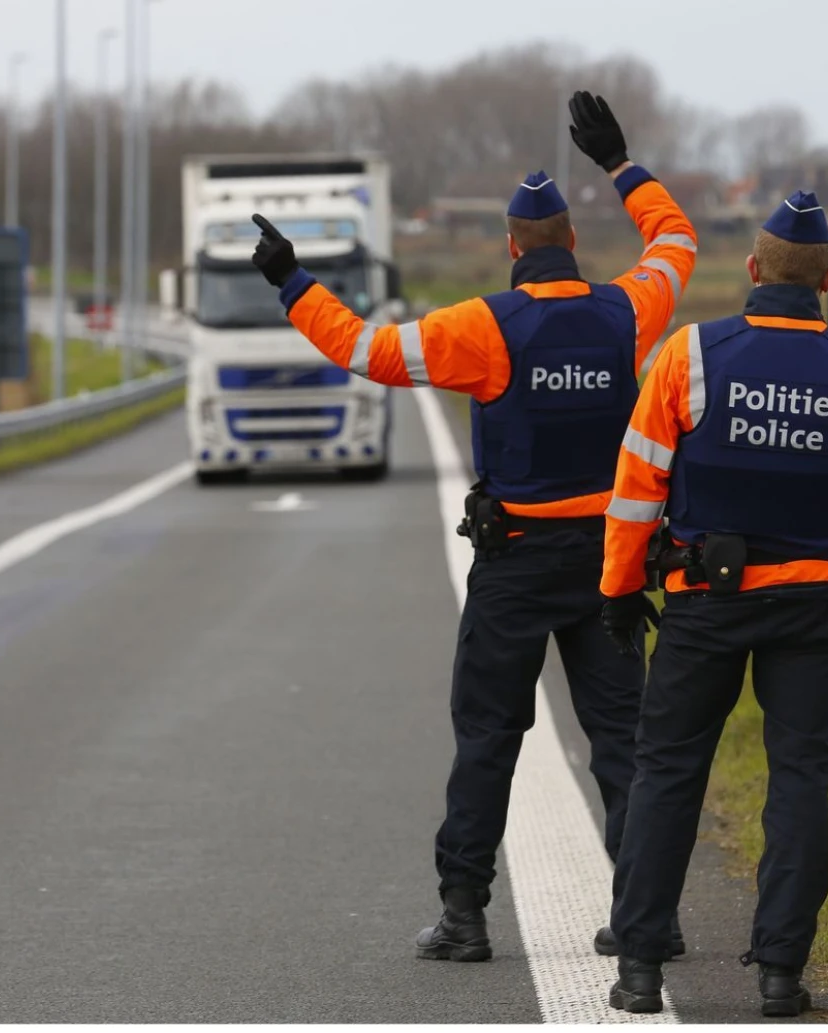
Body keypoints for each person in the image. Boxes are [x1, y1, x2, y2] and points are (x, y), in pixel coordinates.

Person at [248, 92, 697, 961]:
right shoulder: (628, 311)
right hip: (610, 562)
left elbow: (369, 351)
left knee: (489, 737)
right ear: (573, 241)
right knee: (625, 740)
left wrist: (292, 281)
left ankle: (464, 917)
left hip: (515, 563)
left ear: (512, 248)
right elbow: (675, 241)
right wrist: (621, 164)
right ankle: (650, 916)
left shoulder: (482, 327)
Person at [593, 191, 828, 1016]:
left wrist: (619, 590)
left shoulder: (690, 354)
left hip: (703, 604)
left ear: (752, 270)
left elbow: (635, 490)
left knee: (667, 774)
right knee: (799, 782)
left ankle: (640, 968)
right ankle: (781, 974)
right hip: (813, 613)